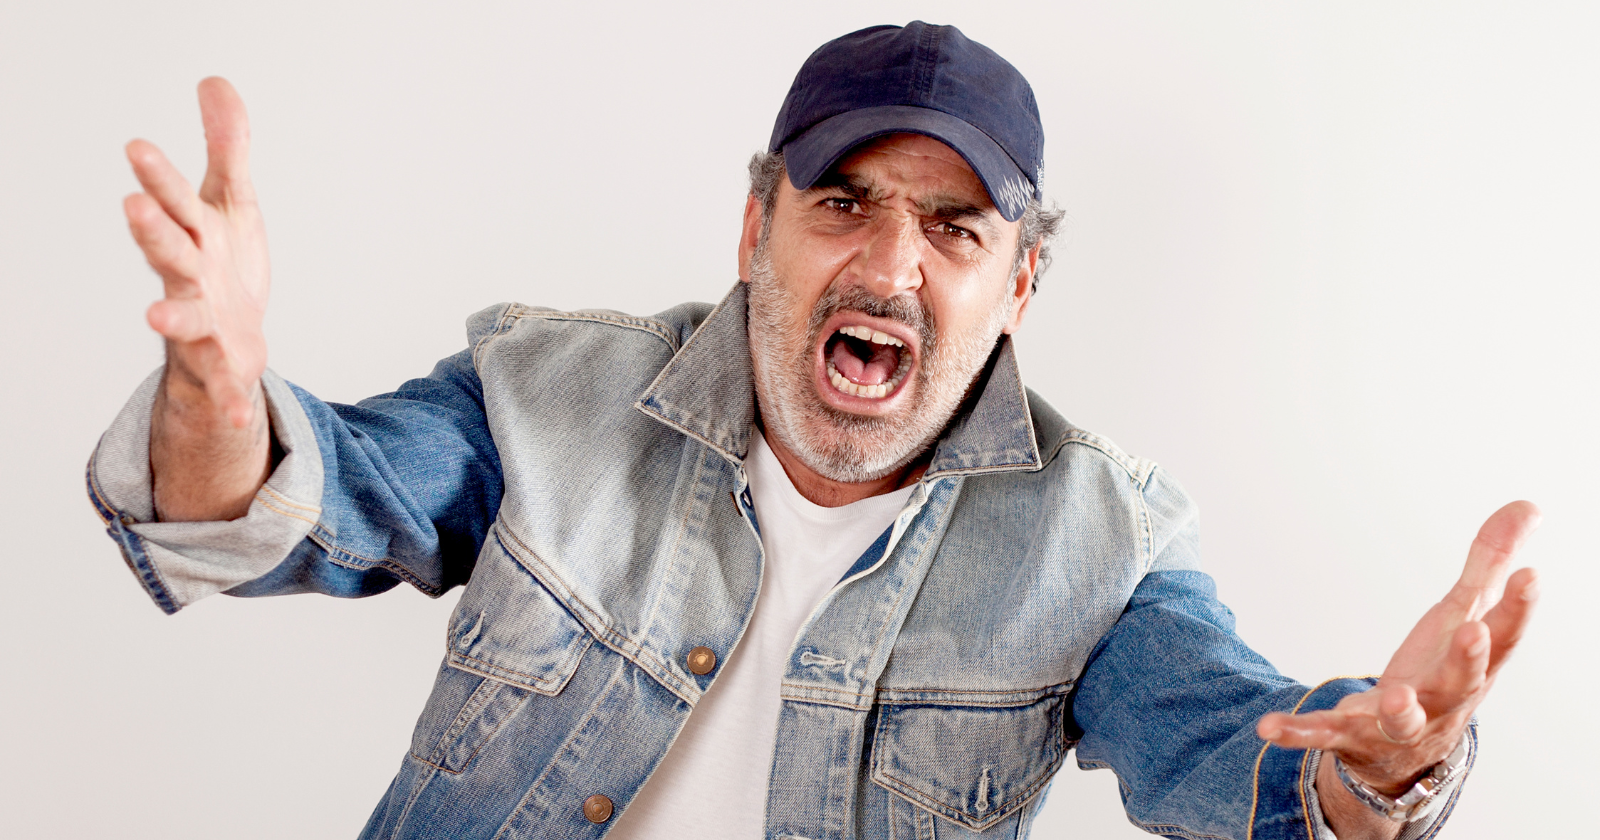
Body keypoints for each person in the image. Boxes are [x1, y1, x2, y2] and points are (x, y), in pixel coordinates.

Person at [88, 21, 1539, 840]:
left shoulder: (1100, 544)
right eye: (843, 203)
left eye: (954, 228)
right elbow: (293, 506)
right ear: (753, 227)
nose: (889, 265)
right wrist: (218, 388)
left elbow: (1241, 752)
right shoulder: (548, 396)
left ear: (1020, 285)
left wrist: (1380, 767)